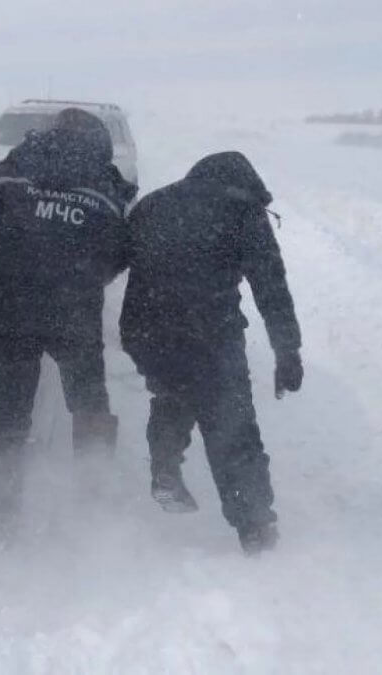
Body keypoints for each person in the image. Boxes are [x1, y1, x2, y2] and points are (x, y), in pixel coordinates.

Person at [0, 108, 137, 534]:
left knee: (11, 416)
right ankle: (95, 501)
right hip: (74, 312)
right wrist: (86, 277)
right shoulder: (107, 185)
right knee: (88, 403)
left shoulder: (13, 168)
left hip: (12, 306)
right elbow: (120, 251)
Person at [118, 151, 303, 555]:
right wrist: (287, 350)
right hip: (210, 335)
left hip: (146, 331)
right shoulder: (243, 213)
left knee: (172, 394)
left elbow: (110, 260)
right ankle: (255, 529)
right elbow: (270, 286)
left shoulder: (154, 203)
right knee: (233, 430)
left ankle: (165, 467)